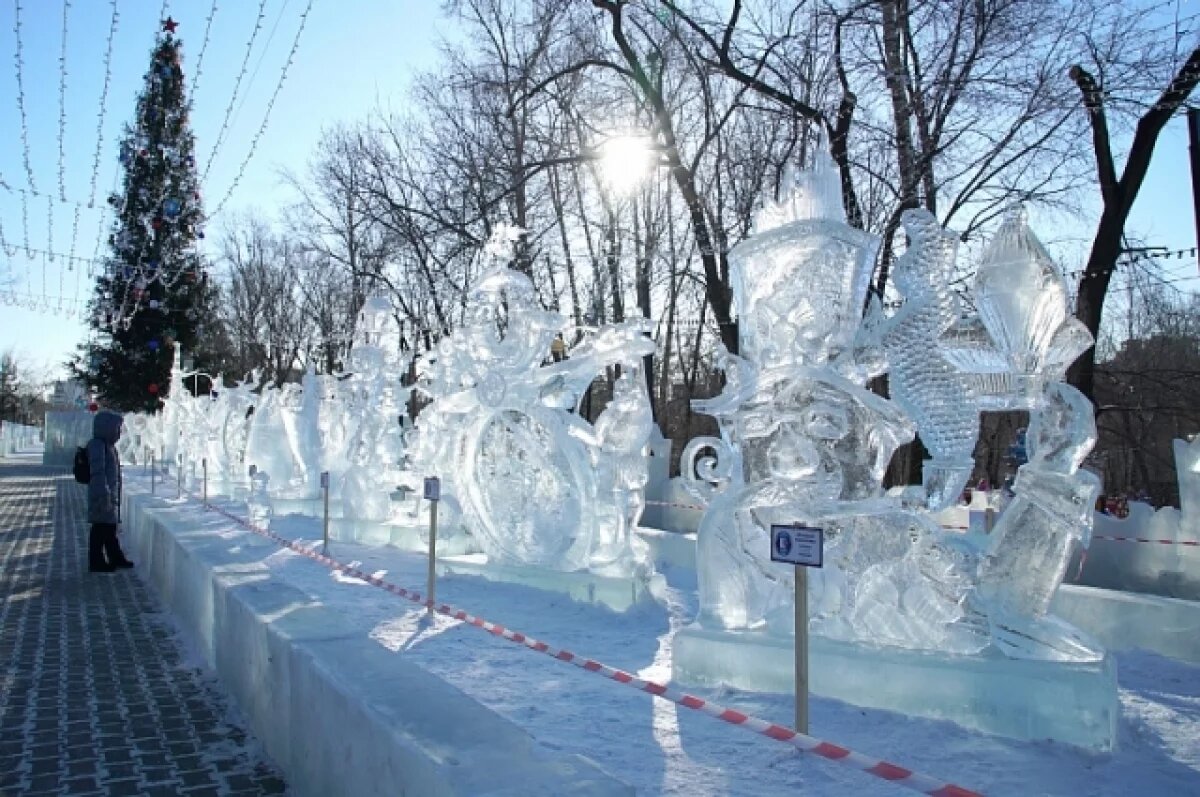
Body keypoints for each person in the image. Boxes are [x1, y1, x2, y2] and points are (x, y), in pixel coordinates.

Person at [87, 409, 133, 572]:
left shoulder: (107, 445)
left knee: (109, 528)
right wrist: (103, 493)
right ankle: (96, 562)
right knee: (100, 529)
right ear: (107, 428)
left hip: (108, 494)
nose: (119, 433)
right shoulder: (98, 445)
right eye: (116, 429)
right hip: (101, 495)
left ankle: (116, 557)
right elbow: (98, 472)